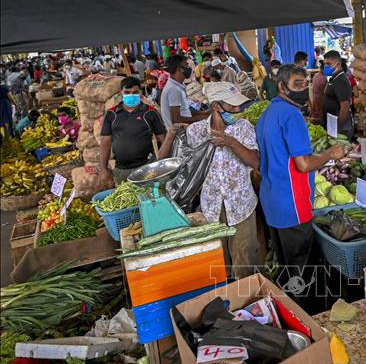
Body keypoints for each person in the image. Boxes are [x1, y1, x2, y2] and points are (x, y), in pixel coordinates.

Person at [256, 64, 344, 308]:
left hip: (273, 203)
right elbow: (304, 164)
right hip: (293, 205)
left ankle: (291, 315)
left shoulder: (267, 115)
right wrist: (330, 153)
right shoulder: (292, 116)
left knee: (288, 269)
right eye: (297, 84)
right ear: (282, 87)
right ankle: (312, 323)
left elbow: (262, 160)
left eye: (305, 84)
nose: (303, 90)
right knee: (305, 275)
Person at [162, 82, 260, 279]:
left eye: (238, 105)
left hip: (241, 206)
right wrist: (170, 135)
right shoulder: (196, 131)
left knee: (245, 262)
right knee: (218, 264)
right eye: (232, 106)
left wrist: (230, 142)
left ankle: (247, 304)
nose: (237, 110)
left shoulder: (244, 128)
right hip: (211, 207)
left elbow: (255, 162)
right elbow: (168, 162)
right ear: (216, 106)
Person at [100, 77, 167, 185]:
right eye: (127, 92)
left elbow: (163, 139)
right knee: (128, 199)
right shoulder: (111, 114)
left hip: (147, 167)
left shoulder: (150, 112)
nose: (131, 95)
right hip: (121, 170)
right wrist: (103, 169)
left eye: (135, 92)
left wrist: (164, 165)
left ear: (141, 92)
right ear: (121, 93)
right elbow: (105, 142)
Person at [160, 55, 209, 128]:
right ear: (180, 69)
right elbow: (176, 119)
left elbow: (185, 112)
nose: (189, 68)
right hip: (180, 133)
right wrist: (202, 118)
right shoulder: (174, 89)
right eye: (187, 65)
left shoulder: (176, 86)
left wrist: (205, 113)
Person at [322, 50, 353, 138]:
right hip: (333, 123)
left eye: (328, 63)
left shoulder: (341, 81)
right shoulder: (334, 78)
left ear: (338, 64)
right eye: (325, 64)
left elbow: (345, 107)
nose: (326, 66)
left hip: (341, 127)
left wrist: (338, 129)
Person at [310, 59, 326, 125]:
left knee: (315, 116)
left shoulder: (316, 75)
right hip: (320, 100)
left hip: (315, 98)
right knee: (319, 118)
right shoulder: (323, 78)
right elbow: (324, 92)